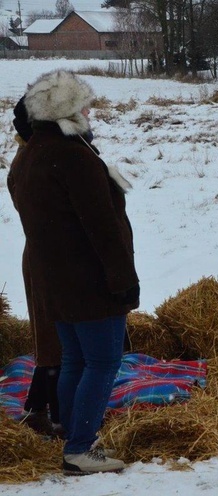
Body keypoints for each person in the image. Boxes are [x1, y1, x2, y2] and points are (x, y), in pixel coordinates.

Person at [8, 70, 139, 474]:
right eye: (82, 103)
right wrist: (122, 282)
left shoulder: (29, 155)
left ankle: (72, 434)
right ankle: (81, 447)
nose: (88, 110)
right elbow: (102, 228)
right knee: (101, 363)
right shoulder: (73, 155)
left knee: (75, 363)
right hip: (90, 281)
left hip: (55, 282)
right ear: (65, 110)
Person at [8, 96, 64, 439]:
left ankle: (36, 409)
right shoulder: (33, 161)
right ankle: (59, 419)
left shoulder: (32, 156)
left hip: (49, 255)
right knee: (55, 342)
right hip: (52, 258)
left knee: (51, 340)